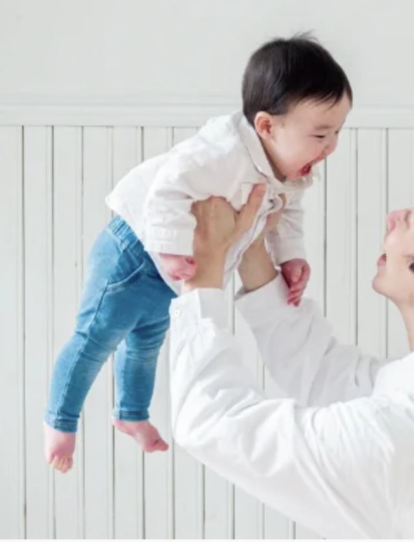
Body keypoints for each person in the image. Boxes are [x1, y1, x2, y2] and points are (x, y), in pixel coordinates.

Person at [169, 163, 414, 537]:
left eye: (411, 218)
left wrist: (205, 265)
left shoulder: (399, 430)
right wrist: (251, 246)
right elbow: (323, 372)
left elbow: (210, 424)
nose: (393, 217)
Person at [45, 34, 352, 473]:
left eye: (338, 132)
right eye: (321, 134)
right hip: (134, 249)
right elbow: (169, 185)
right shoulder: (222, 151)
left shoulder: (288, 169)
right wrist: (169, 246)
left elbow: (287, 213)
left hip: (174, 274)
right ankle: (60, 422)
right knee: (96, 338)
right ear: (267, 126)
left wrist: (291, 256)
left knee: (145, 345)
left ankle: (131, 413)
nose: (331, 146)